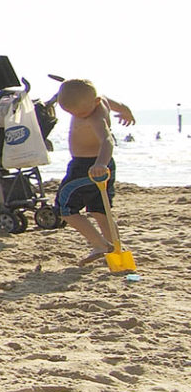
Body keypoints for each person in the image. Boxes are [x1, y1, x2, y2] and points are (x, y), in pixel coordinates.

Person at [52, 79, 136, 265]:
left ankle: (100, 245)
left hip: (90, 167)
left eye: (81, 112)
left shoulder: (95, 118)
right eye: (72, 113)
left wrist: (100, 163)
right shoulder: (100, 99)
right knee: (100, 210)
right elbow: (120, 106)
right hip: (100, 166)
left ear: (96, 102)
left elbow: (107, 141)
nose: (78, 116)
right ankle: (116, 252)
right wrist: (126, 112)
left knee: (64, 208)